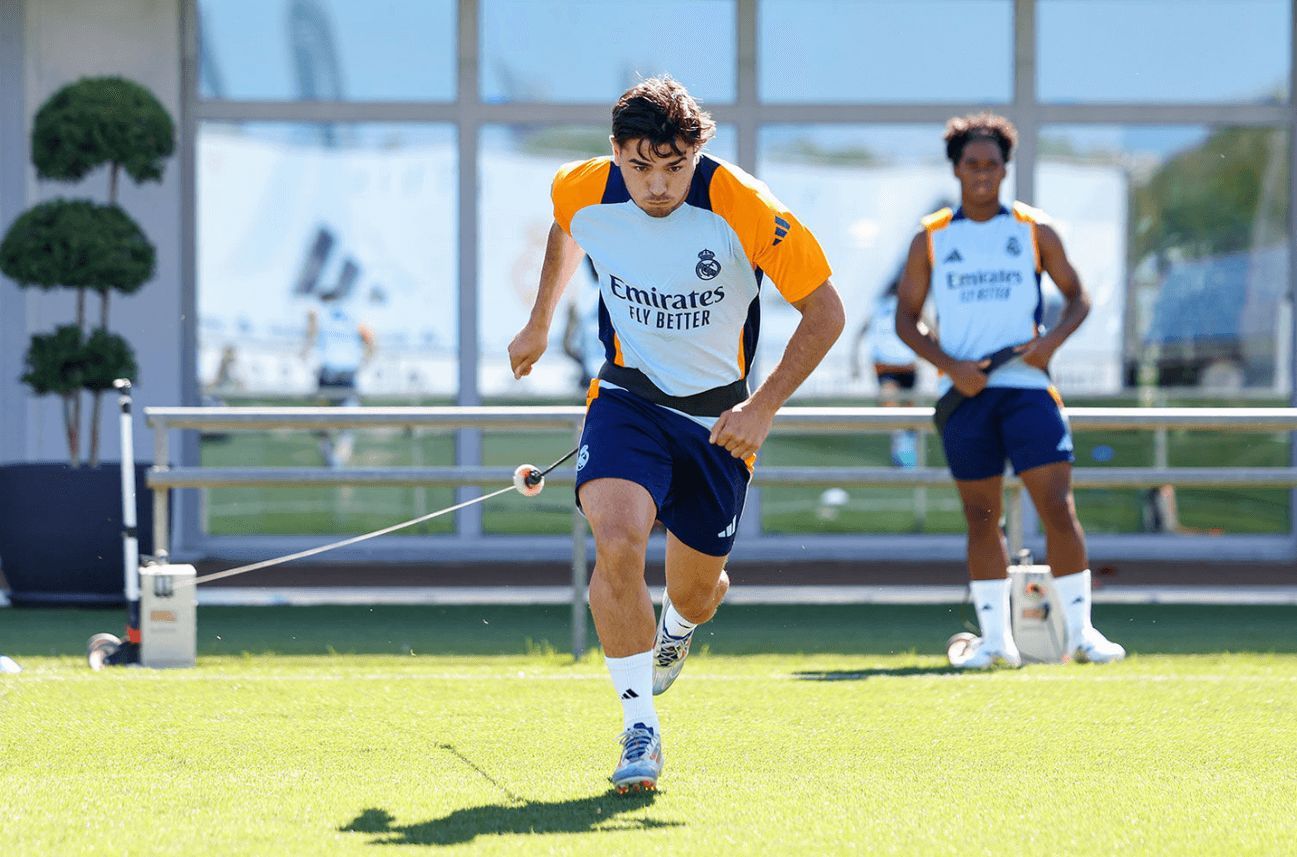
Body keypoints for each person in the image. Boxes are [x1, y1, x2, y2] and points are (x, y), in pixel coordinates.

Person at [508, 76, 843, 792]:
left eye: (672, 166)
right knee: (619, 538)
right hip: (627, 399)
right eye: (638, 166)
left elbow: (824, 313)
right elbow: (568, 231)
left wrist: (762, 409)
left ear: (695, 152)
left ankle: (677, 629)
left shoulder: (746, 207)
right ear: (614, 153)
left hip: (720, 421)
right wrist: (540, 320)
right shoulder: (579, 188)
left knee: (698, 589)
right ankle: (639, 727)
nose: (656, 185)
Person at [895, 113, 1125, 669]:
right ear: (956, 169)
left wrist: (1050, 347)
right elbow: (906, 319)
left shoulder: (1033, 229)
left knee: (1056, 507)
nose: (981, 174)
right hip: (968, 396)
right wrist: (951, 366)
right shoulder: (931, 236)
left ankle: (1082, 635)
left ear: (1005, 169)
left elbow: (1078, 298)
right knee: (981, 516)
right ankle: (997, 643)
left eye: (991, 165)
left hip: (1026, 388)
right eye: (971, 164)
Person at [851, 276, 921, 467]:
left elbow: (927, 327)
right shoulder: (878, 308)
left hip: (907, 365)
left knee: (909, 415)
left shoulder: (910, 305)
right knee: (891, 405)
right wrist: (855, 364)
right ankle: (900, 447)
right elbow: (860, 333)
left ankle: (908, 454)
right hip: (886, 366)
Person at [303, 290, 375, 468]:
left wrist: (305, 349)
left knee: (322, 415)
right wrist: (365, 360)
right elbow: (370, 338)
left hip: (329, 372)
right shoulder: (352, 314)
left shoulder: (319, 313)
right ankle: (340, 457)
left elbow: (311, 329)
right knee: (347, 423)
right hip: (348, 372)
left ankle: (329, 452)